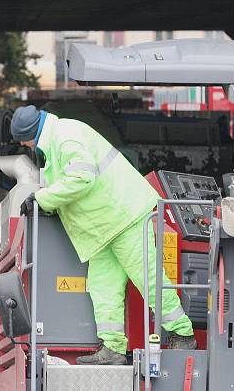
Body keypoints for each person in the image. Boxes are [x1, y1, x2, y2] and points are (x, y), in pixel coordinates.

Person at [11, 105, 196, 365]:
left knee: (147, 277)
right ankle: (113, 347)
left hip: (123, 216)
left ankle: (182, 333)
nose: (24, 145)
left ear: (30, 134)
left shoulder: (65, 137)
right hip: (106, 224)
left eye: (23, 140)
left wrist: (42, 199)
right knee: (102, 287)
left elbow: (81, 177)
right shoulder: (59, 137)